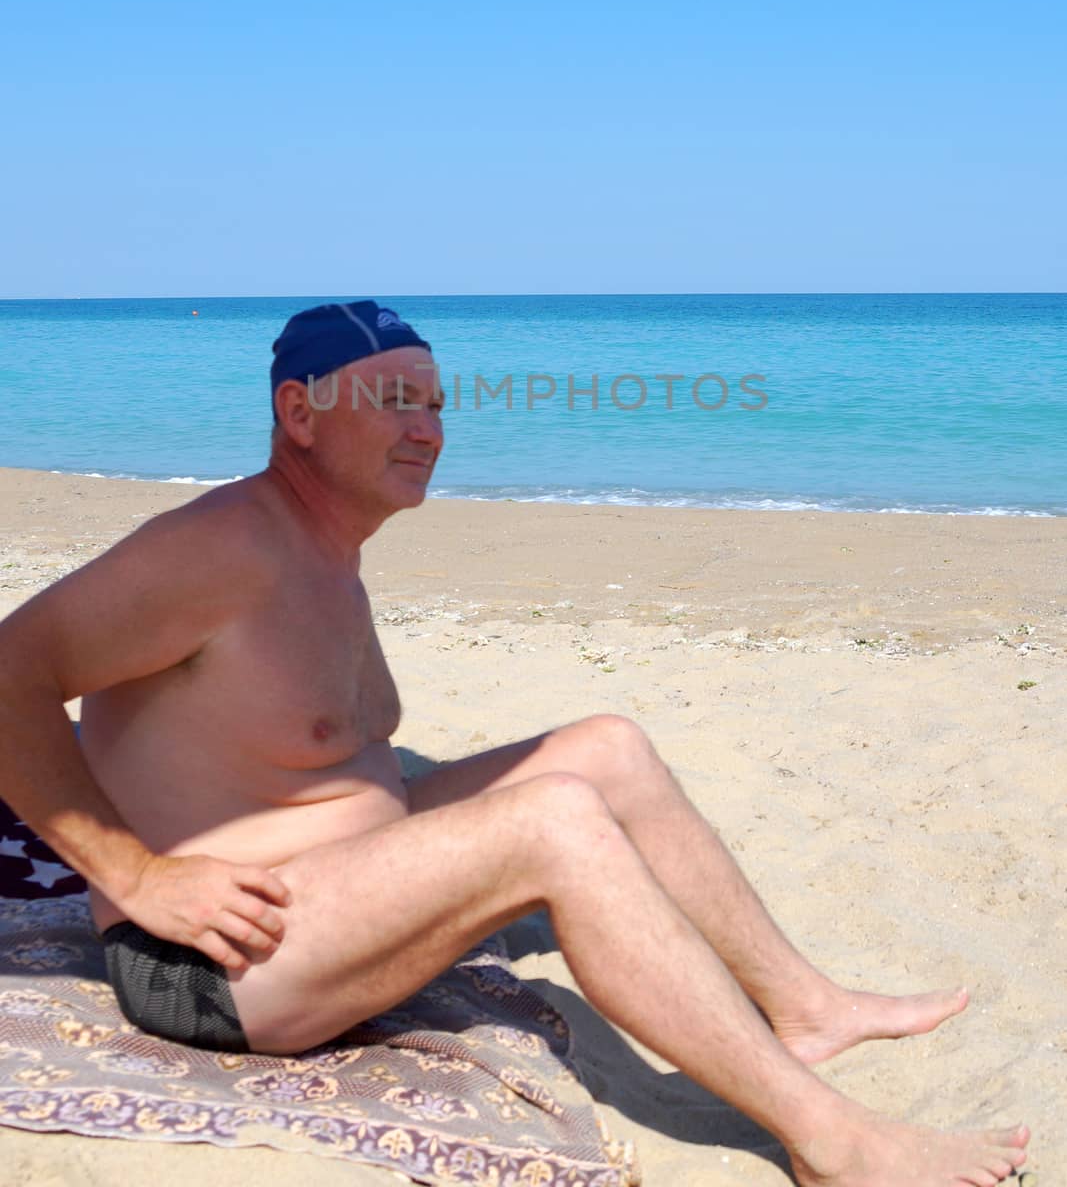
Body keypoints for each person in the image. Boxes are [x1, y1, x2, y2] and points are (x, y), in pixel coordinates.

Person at [0, 300, 1028, 1187]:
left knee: (603, 748)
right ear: (298, 412)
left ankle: (804, 1005)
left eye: (437, 402)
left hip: (342, 878)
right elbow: (13, 672)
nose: (428, 427)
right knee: (555, 823)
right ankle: (828, 1139)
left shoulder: (326, 546)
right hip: (218, 959)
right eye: (392, 399)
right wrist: (137, 877)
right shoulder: (218, 547)